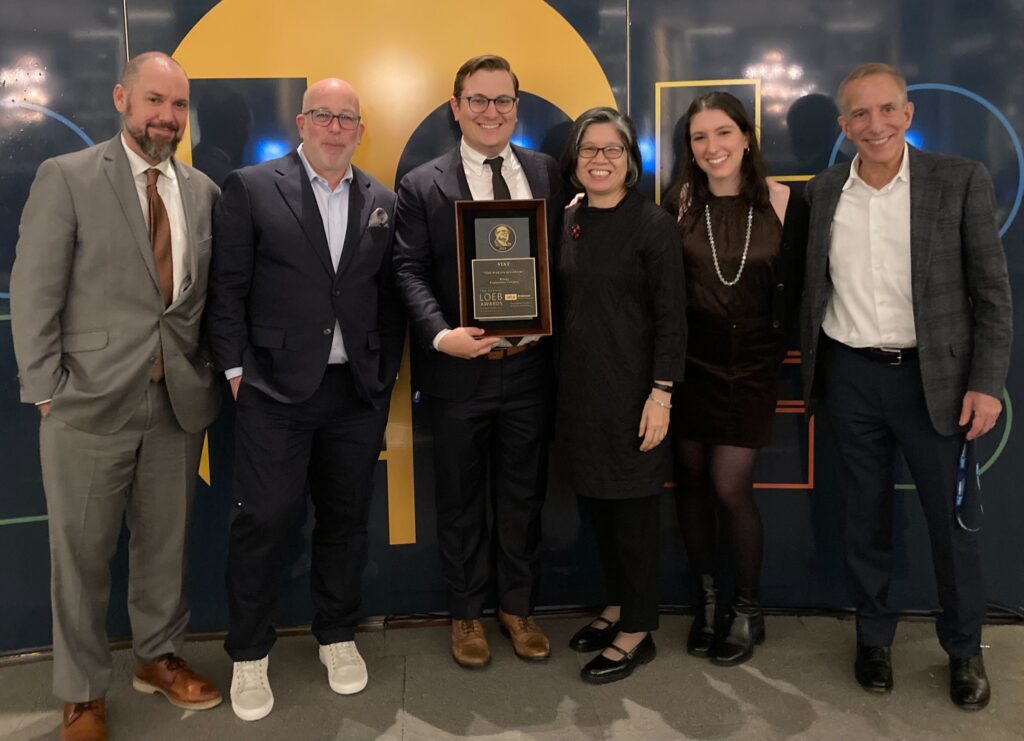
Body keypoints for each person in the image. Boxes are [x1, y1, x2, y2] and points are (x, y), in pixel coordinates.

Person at [10, 51, 222, 741]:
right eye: (155, 101)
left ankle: (156, 657)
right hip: (86, 408)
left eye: (179, 105)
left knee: (165, 546)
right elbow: (36, 290)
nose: (167, 117)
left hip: (176, 405)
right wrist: (47, 391)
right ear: (122, 99)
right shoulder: (67, 178)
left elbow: (202, 301)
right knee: (79, 558)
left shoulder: (203, 192)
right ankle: (80, 692)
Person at [801, 63, 1012, 709]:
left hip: (936, 381)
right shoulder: (825, 189)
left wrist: (986, 382)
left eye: (887, 110)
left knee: (950, 528)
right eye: (860, 114)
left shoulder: (958, 180)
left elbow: (992, 295)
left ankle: (965, 648)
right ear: (844, 126)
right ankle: (873, 638)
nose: (876, 125)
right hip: (850, 377)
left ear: (909, 113)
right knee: (864, 519)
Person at [205, 78, 405, 721]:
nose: (335, 127)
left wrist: (385, 374)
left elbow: (389, 297)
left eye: (348, 117)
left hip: (356, 392)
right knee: (264, 520)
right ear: (301, 121)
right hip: (272, 390)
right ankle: (249, 653)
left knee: (346, 520)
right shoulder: (252, 186)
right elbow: (227, 288)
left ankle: (338, 634)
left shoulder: (382, 199)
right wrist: (236, 371)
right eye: (324, 114)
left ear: (360, 128)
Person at [393, 54, 564, 668]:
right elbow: (408, 271)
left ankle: (517, 608)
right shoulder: (422, 183)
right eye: (478, 100)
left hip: (529, 371)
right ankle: (465, 614)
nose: (491, 112)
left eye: (503, 101)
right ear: (455, 107)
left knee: (523, 497)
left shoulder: (548, 172)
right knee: (460, 500)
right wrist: (443, 337)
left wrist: (548, 322)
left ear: (517, 108)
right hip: (457, 371)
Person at [665, 92, 808, 667]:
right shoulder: (677, 203)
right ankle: (706, 602)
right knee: (692, 482)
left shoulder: (784, 203)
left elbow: (800, 289)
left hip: (751, 364)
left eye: (722, 133)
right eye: (699, 137)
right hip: (689, 363)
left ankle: (748, 608)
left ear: (746, 137)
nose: (712, 147)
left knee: (729, 486)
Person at [559, 107, 687, 684]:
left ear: (631, 161)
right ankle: (614, 606)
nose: (600, 160)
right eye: (590, 150)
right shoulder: (570, 220)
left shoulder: (653, 225)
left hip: (636, 396)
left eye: (613, 150)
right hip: (581, 392)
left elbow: (672, 321)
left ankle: (638, 629)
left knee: (634, 515)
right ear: (575, 160)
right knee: (600, 511)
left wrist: (661, 393)